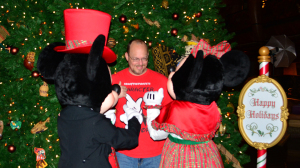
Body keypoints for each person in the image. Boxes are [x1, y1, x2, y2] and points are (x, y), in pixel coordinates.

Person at [111, 39, 173, 168]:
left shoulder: (163, 81)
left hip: (155, 154)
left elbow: (173, 115)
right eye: (135, 59)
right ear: (127, 57)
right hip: (124, 153)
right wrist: (114, 96)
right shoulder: (114, 81)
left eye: (144, 59)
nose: (140, 63)